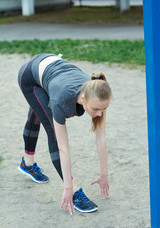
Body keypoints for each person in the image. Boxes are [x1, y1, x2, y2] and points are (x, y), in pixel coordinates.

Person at [17, 53, 112, 214]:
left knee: (38, 111)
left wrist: (104, 174)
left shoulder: (98, 91)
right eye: (96, 109)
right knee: (51, 128)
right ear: (83, 98)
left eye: (104, 109)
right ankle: (74, 192)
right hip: (29, 77)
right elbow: (63, 148)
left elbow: (101, 138)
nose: (100, 114)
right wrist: (68, 187)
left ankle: (27, 164)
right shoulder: (61, 100)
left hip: (49, 70)